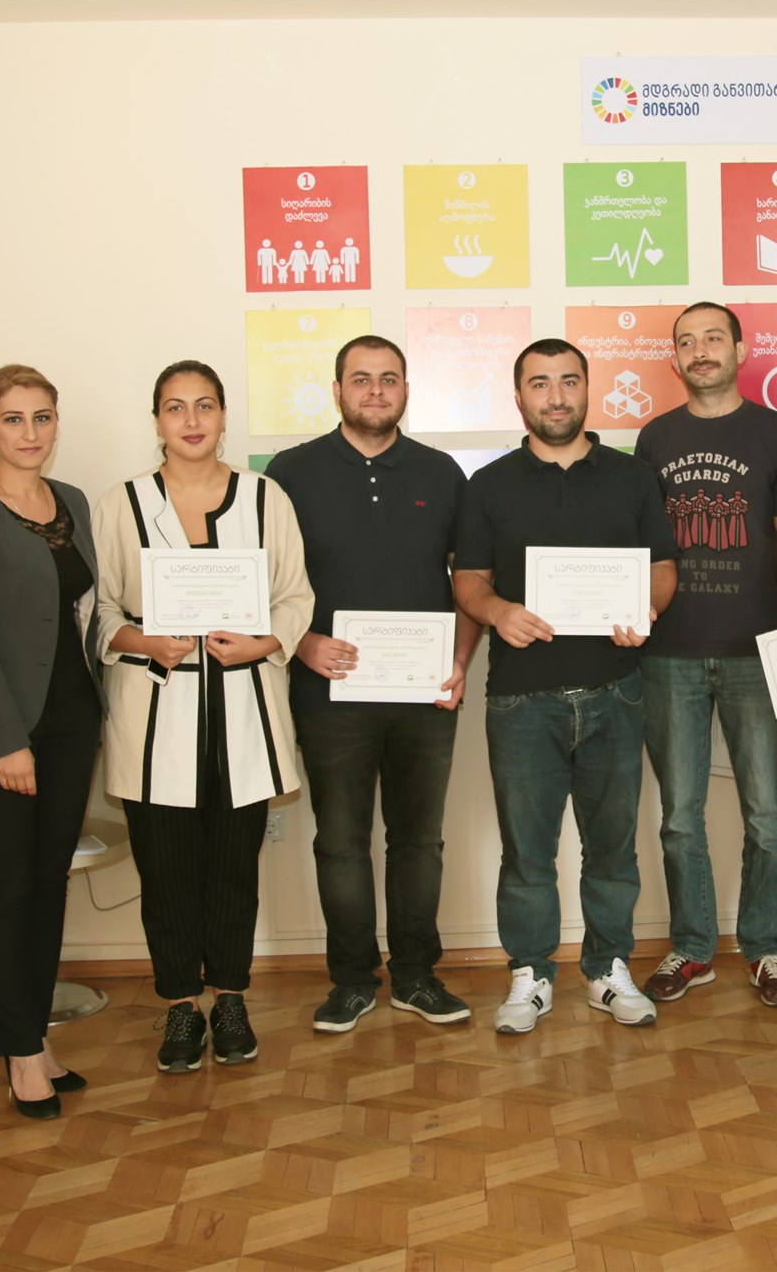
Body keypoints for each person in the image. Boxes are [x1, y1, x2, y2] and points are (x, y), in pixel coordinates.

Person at [92, 361, 314, 1073]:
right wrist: (143, 641)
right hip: (154, 719)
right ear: (156, 420)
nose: (191, 421)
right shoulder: (121, 504)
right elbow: (98, 609)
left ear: (223, 417)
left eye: (205, 405)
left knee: (232, 872)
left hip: (243, 716)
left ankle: (231, 999)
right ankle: (181, 1006)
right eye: (175, 407)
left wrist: (263, 642)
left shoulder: (265, 497)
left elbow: (296, 595)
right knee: (167, 874)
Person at [453, 338, 679, 1034]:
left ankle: (609, 968)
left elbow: (662, 568)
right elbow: (469, 580)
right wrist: (498, 612)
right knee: (528, 852)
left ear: (588, 388)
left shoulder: (632, 476)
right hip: (522, 698)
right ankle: (530, 974)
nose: (556, 396)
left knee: (613, 848)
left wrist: (647, 609)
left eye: (569, 381)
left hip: (617, 690)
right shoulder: (488, 484)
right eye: (540, 383)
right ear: (519, 396)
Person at [267, 336, 480, 1033]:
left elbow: (470, 582)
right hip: (331, 693)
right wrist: (302, 642)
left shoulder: (442, 473)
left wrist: (460, 660)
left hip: (424, 695)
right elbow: (264, 580)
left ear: (406, 390)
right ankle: (352, 980)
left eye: (389, 378)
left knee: (419, 841)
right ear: (337, 390)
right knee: (340, 842)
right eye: (361, 379)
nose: (376, 391)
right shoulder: (289, 473)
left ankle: (416, 976)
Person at [0, 365, 102, 1119]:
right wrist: (7, 740)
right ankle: (19, 1052)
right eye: (12, 419)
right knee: (5, 888)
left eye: (42, 417)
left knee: (47, 882)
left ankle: (35, 1035)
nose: (29, 433)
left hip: (71, 721)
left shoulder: (73, 502)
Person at [634, 303, 777, 1008]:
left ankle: (765, 947)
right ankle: (693, 947)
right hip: (669, 653)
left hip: (756, 651)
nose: (700, 350)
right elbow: (642, 546)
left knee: (767, 817)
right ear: (674, 358)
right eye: (687, 341)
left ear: (740, 348)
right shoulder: (654, 437)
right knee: (680, 816)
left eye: (713, 338)